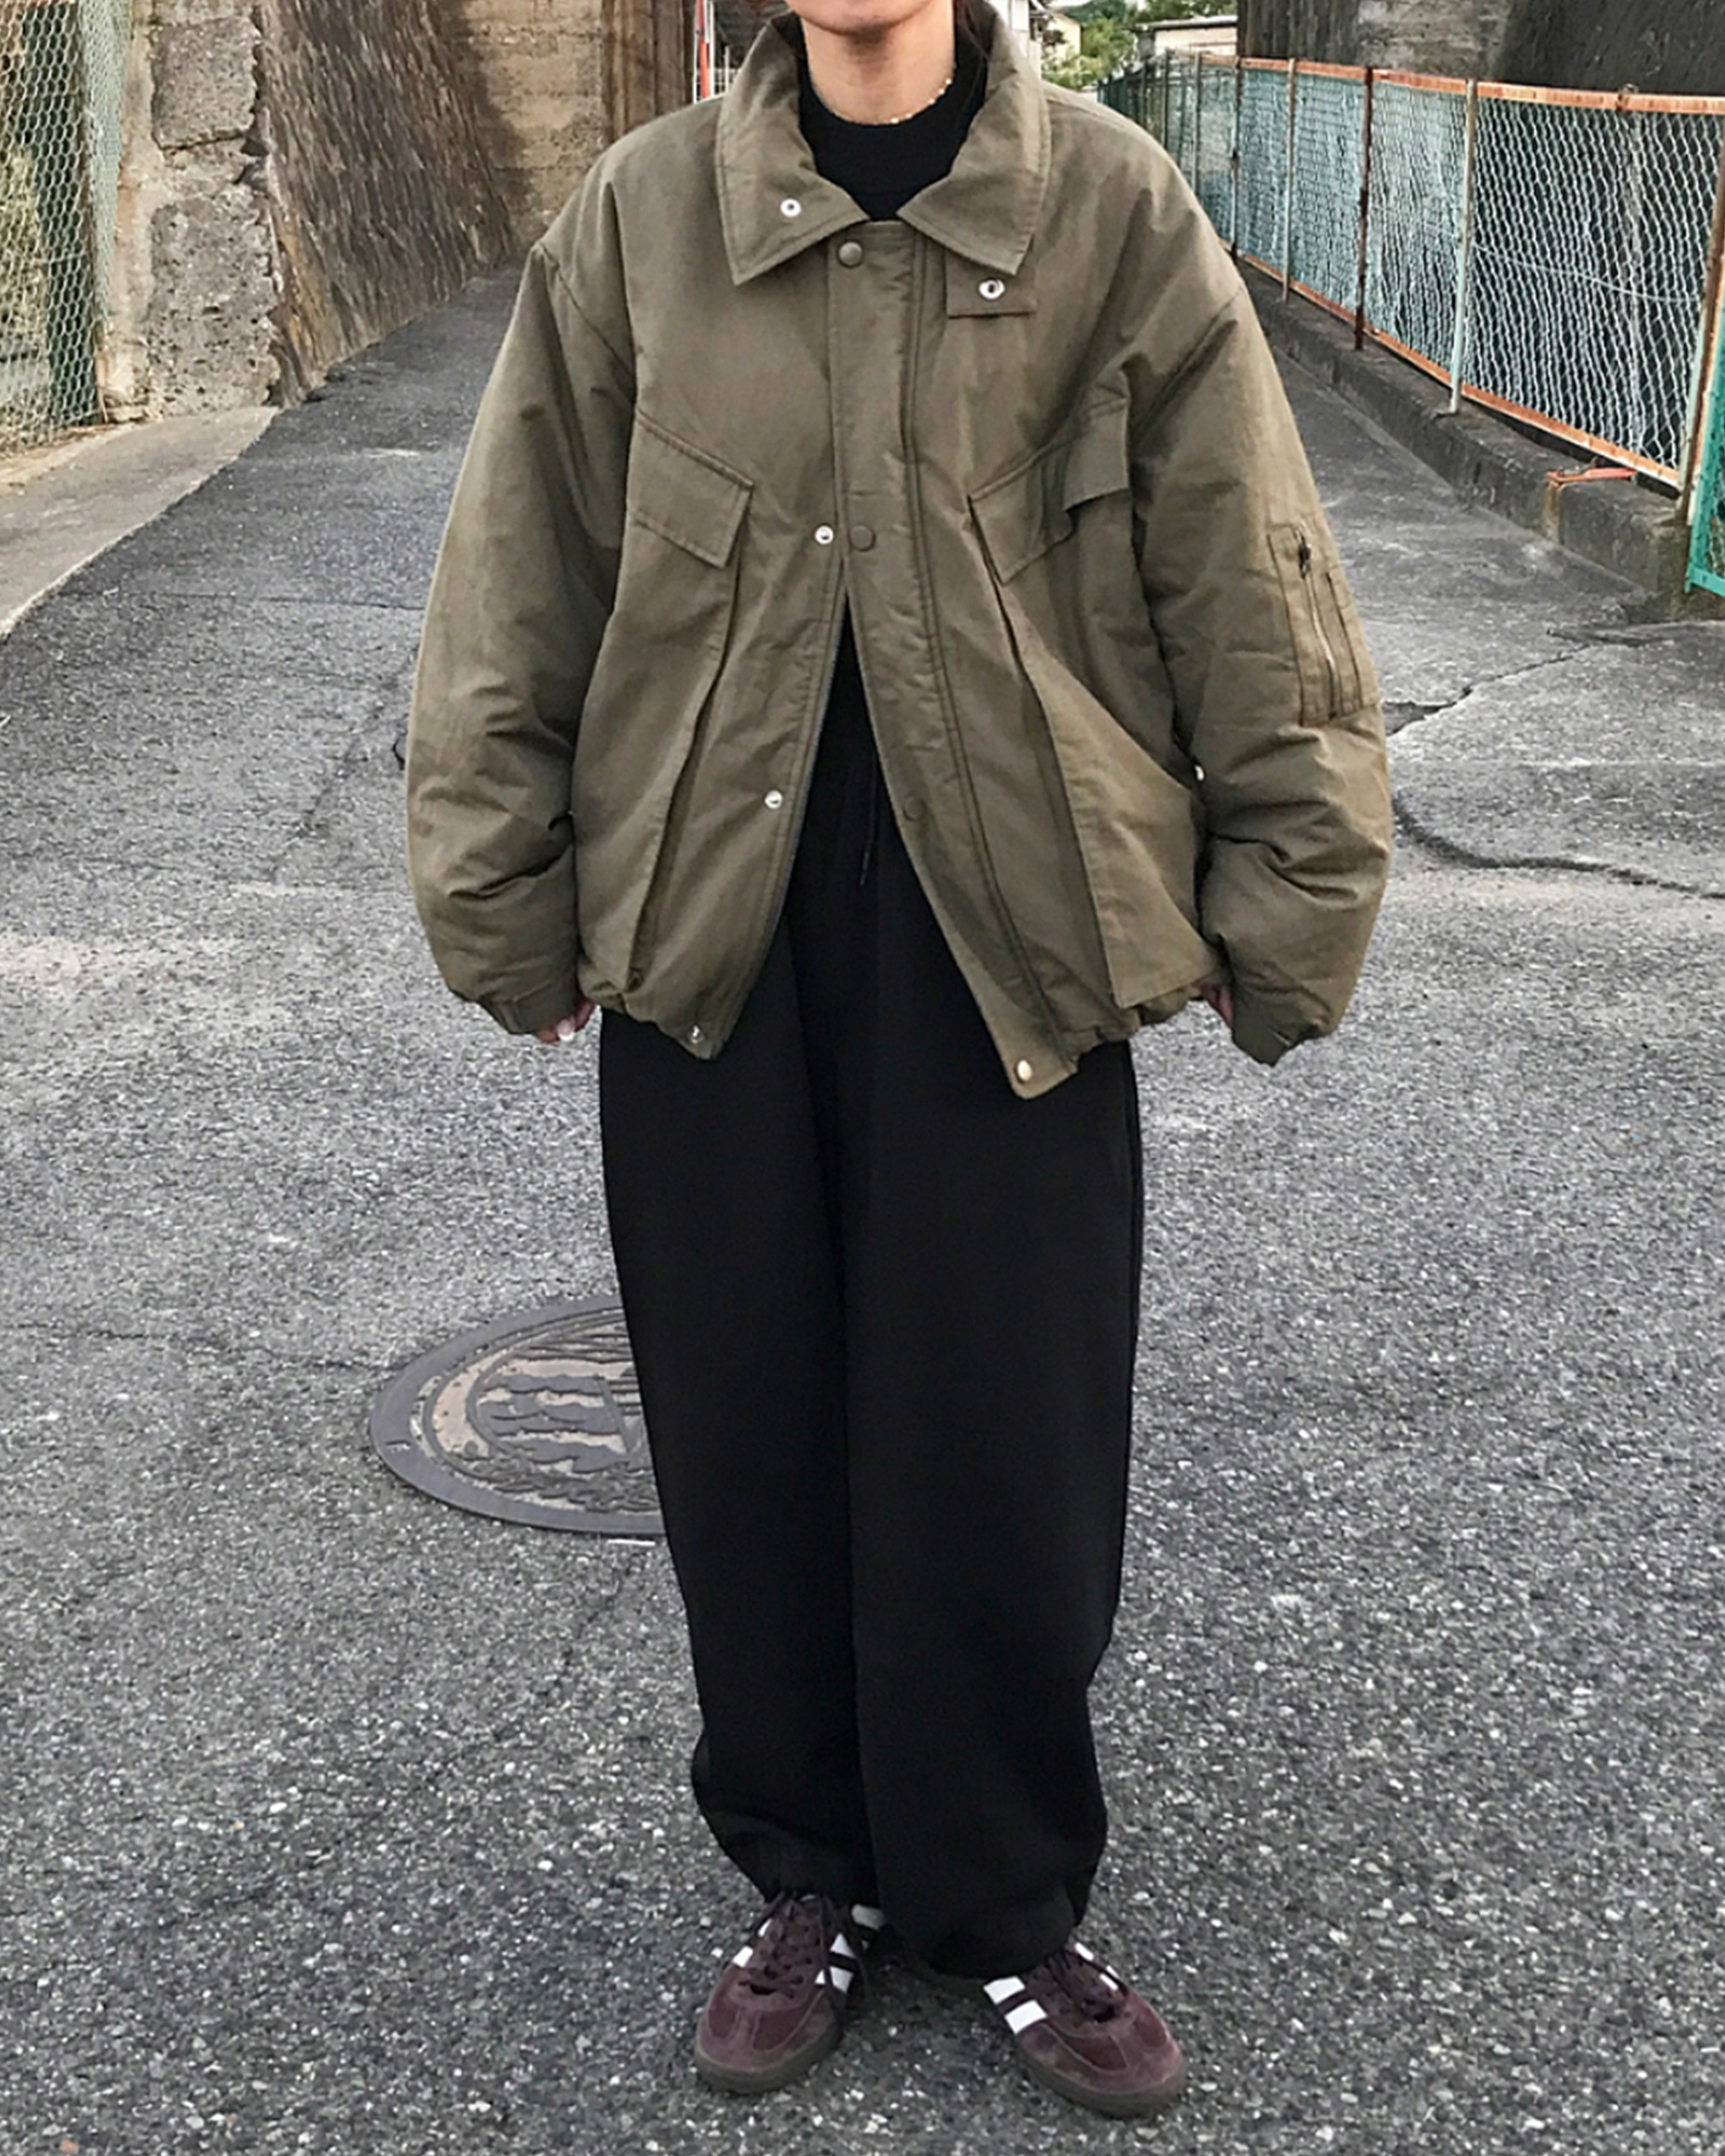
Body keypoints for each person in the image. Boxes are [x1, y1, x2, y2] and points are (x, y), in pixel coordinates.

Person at [406, 0, 1391, 2119]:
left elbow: (1242, 553)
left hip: (1009, 923)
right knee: (745, 1425)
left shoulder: (1111, 209)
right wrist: (504, 889)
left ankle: (1004, 1902)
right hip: (709, 916)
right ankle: (810, 1873)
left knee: (1003, 1437)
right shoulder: (641, 217)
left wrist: (1287, 881)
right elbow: (521, 567)